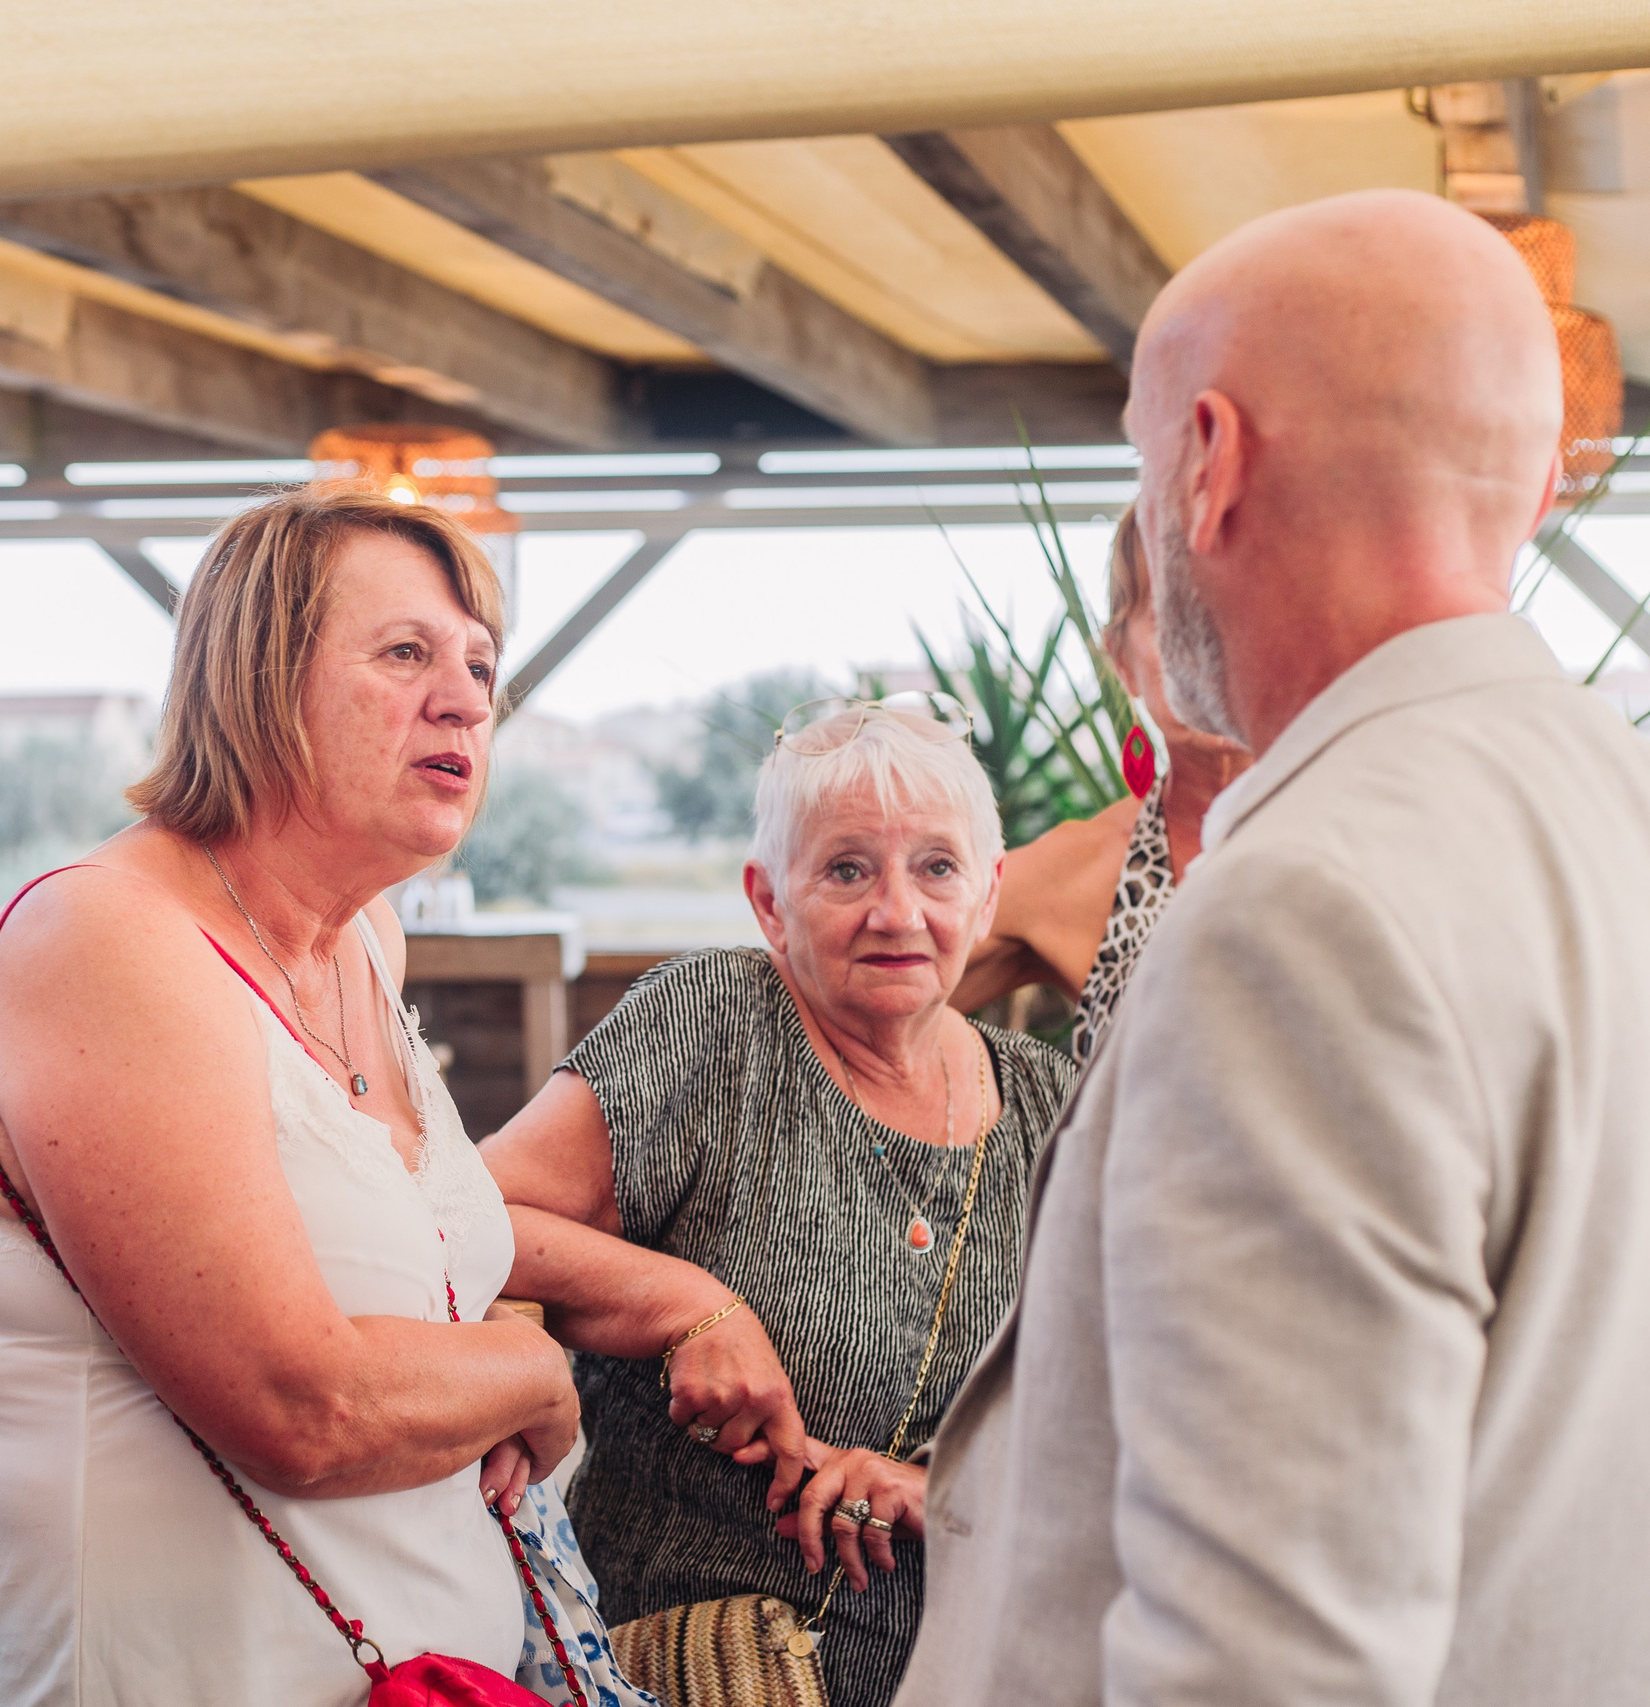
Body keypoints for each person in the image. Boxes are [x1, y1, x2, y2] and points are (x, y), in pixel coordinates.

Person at [896, 189, 1650, 1707]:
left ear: (1211, 461)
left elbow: (1265, 1660)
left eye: (1139, 449)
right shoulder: (1605, 794)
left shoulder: (1301, 906)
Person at [0, 488, 586, 1705]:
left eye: (480, 664)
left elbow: (396, 1233)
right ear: (255, 682)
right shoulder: (103, 941)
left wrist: (670, 1297)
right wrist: (534, 1375)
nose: (468, 699)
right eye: (404, 654)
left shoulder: (366, 942)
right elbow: (301, 1406)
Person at [482, 699, 1078, 1707]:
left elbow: (1116, 1406)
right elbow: (465, 1220)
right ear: (769, 900)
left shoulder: (1050, 1108)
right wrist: (688, 1305)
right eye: (847, 869)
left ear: (987, 896)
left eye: (936, 867)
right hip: (690, 1669)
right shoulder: (712, 1028)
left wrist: (951, 1490)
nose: (897, 911)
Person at [952, 506, 1252, 1057]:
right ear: (1122, 661)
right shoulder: (1082, 872)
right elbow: (850, 1000)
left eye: (1246, 605)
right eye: (1174, 618)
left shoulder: (1384, 833)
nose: (1211, 645)